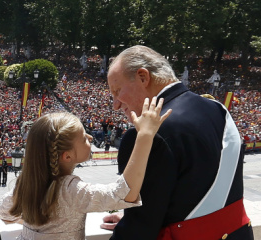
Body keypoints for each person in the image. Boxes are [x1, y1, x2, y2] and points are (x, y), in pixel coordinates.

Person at [103, 45, 253, 240]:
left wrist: (129, 221)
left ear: (143, 77)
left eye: (117, 91)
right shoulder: (217, 108)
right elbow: (191, 192)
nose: (115, 105)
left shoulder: (145, 135)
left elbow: (139, 228)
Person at [0, 97, 171, 239]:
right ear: (67, 156)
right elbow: (124, 193)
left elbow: (3, 212)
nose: (89, 137)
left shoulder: (25, 185)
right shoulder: (71, 190)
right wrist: (145, 136)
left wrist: (38, 227)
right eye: (83, 138)